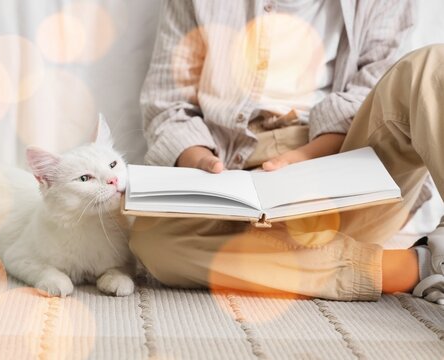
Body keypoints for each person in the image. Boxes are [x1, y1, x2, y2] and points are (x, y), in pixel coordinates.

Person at [130, 0, 444, 303]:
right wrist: (199, 160)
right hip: (233, 167)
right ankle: (411, 268)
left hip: (348, 157)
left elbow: (374, 83)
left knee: (432, 67)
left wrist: (310, 155)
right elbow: (168, 103)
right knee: (154, 241)